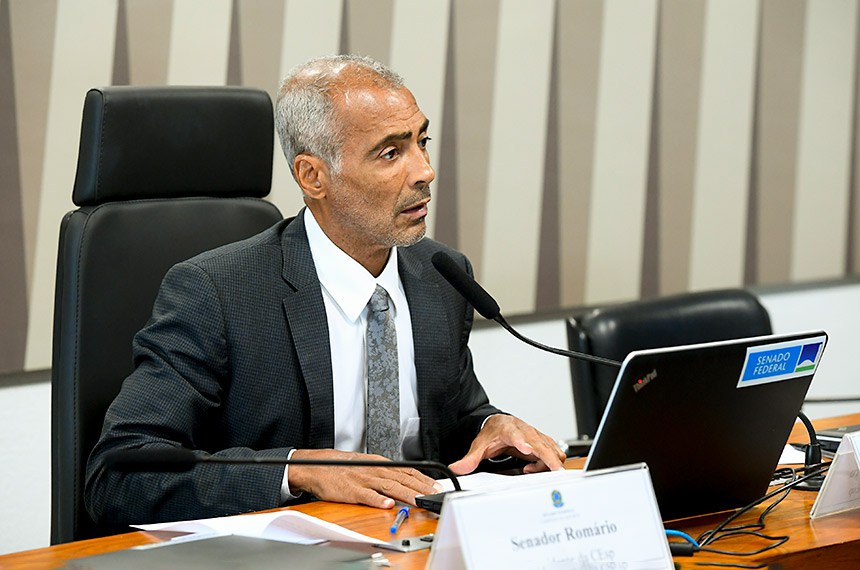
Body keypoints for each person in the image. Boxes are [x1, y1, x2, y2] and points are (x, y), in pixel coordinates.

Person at [85, 54, 565, 526]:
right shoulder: (217, 293)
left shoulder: (440, 275)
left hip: (411, 545)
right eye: (391, 152)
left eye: (423, 141)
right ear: (312, 176)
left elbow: (452, 423)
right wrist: (298, 470)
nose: (424, 172)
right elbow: (119, 475)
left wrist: (492, 429)